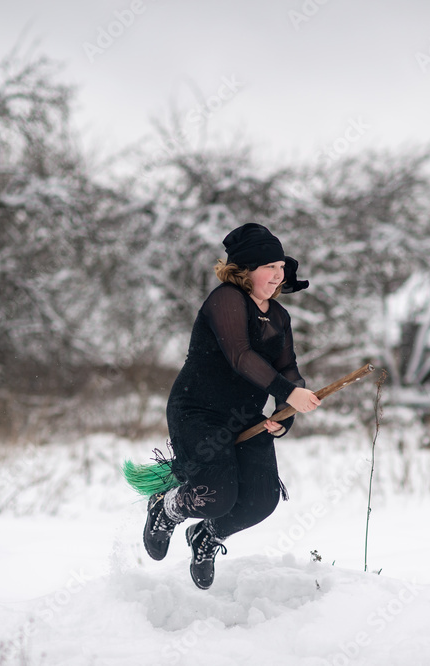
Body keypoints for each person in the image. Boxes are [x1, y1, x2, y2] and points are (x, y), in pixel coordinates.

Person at [142, 222, 321, 589]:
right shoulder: (225, 299)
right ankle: (166, 508)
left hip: (244, 417)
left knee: (261, 499)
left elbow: (289, 370)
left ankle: (206, 537)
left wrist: (284, 416)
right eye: (269, 267)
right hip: (198, 411)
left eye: (280, 267)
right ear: (246, 270)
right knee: (216, 495)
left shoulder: (279, 316)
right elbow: (241, 357)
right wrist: (289, 393)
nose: (278, 274)